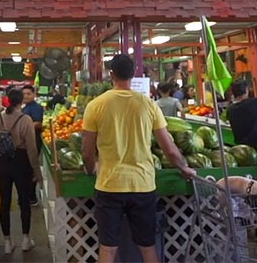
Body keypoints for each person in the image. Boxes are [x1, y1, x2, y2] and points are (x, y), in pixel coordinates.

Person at [82, 55, 196, 263]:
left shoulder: (95, 105)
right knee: (147, 245)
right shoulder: (148, 104)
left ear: (111, 74)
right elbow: (168, 148)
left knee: (107, 248)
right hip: (142, 185)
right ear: (133, 74)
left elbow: (87, 151)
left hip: (109, 185)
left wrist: (91, 169)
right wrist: (183, 168)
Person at [0, 87, 41, 254]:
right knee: (24, 201)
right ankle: (25, 239)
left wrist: (2, 145)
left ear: (8, 100)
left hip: (2, 162)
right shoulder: (26, 120)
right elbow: (31, 148)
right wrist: (35, 169)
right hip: (21, 162)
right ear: (21, 102)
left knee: (5, 201)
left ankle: (7, 242)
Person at [21, 85, 44, 206]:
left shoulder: (36, 108)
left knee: (31, 169)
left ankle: (32, 197)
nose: (26, 96)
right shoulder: (25, 107)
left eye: (28, 94)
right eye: (24, 94)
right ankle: (27, 196)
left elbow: (38, 124)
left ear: (34, 94)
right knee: (26, 169)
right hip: (26, 142)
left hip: (34, 142)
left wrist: (24, 126)